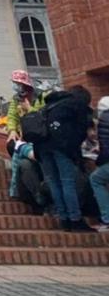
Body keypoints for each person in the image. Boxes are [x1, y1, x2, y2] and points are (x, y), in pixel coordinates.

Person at [36, 85, 94, 232]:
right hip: (61, 146)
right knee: (68, 182)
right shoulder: (76, 105)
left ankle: (64, 218)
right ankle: (75, 219)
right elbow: (82, 130)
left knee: (54, 182)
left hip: (42, 146)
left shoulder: (51, 104)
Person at [5, 70, 45, 141]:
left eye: (17, 83)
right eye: (14, 83)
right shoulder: (16, 98)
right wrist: (12, 130)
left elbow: (42, 116)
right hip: (25, 135)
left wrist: (29, 108)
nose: (15, 86)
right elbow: (12, 116)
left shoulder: (40, 96)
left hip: (41, 134)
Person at [91, 96, 109, 232]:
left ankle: (107, 218)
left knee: (96, 179)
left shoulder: (104, 119)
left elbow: (106, 148)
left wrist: (98, 161)